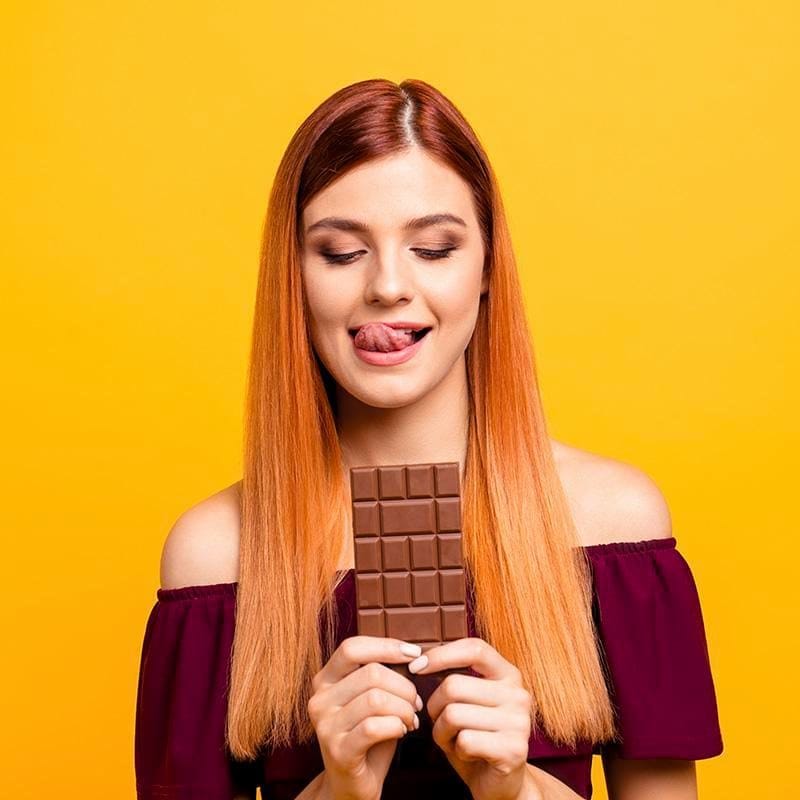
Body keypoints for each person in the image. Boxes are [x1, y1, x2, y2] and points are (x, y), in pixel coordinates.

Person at [134, 78, 723, 800]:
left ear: (485, 269)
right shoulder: (214, 557)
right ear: (293, 277)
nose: (388, 285)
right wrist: (338, 790)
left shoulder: (614, 527)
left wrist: (517, 790)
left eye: (434, 248)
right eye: (342, 253)